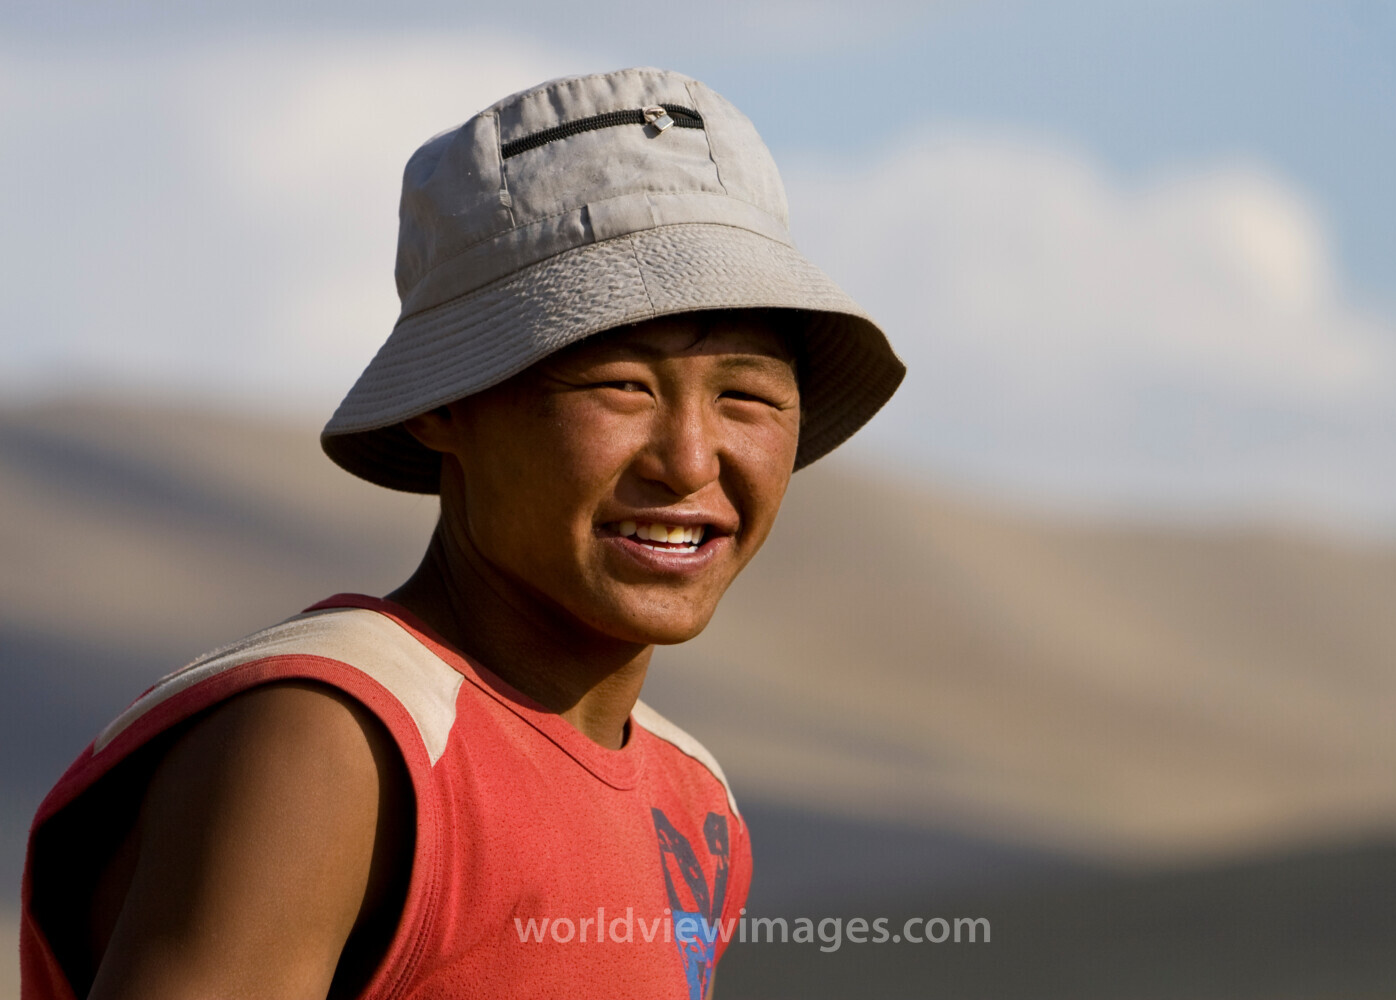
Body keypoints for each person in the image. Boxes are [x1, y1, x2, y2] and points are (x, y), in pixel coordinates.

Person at [19, 66, 903, 1000]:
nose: (688, 462)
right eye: (620, 387)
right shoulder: (333, 744)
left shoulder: (694, 801)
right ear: (446, 405)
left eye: (746, 396)